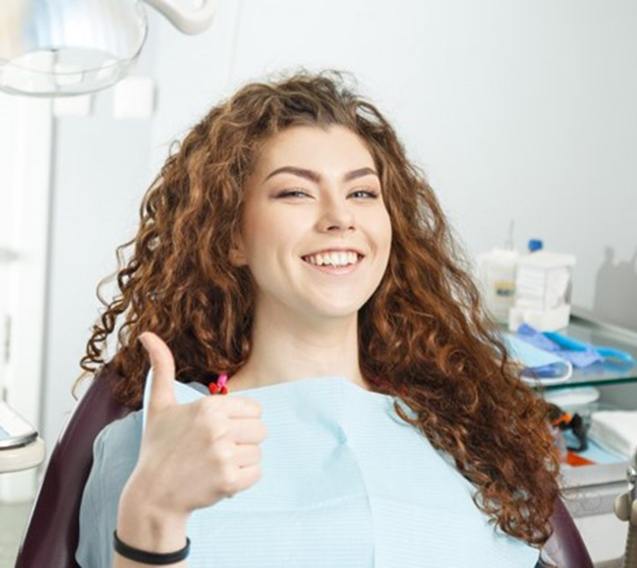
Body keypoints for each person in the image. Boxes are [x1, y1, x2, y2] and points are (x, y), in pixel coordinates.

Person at [73, 69, 561, 567]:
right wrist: (154, 512)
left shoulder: (465, 428)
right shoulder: (157, 442)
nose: (339, 217)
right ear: (231, 238)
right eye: (295, 193)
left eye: (363, 193)